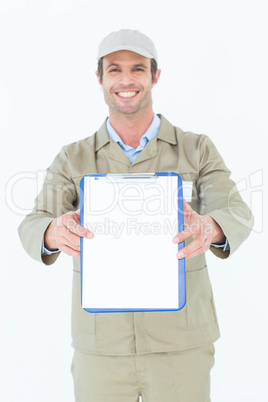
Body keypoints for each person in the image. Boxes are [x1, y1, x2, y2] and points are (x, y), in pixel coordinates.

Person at [18, 29, 253, 402]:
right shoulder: (73, 157)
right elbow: (32, 223)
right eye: (114, 70)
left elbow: (236, 210)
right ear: (100, 78)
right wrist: (52, 232)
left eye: (137, 69)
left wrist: (211, 226)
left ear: (154, 76)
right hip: (102, 347)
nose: (126, 80)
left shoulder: (197, 149)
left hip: (182, 343)